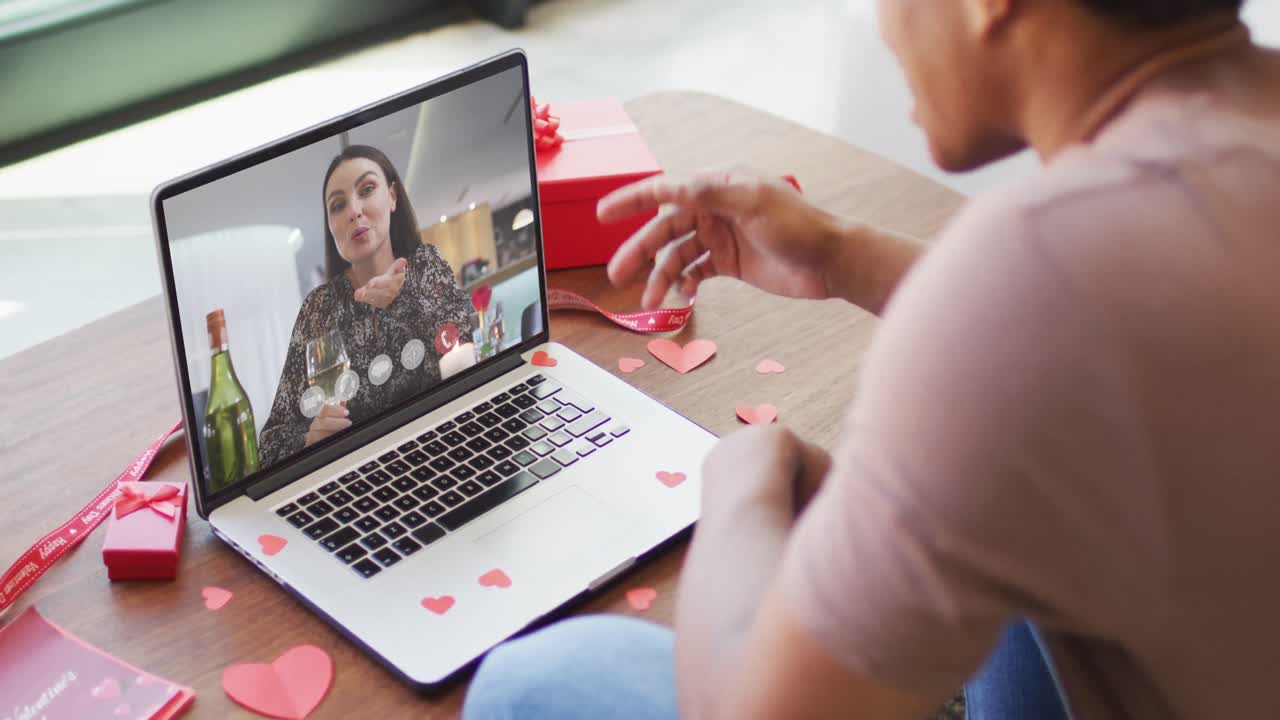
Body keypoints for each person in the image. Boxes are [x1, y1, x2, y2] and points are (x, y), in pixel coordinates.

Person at [462, 0, 1280, 718]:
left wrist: (745, 470)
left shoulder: (1036, 279)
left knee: (533, 681)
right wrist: (840, 254)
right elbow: (1106, 328)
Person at [259, 145, 475, 468]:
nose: (354, 211)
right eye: (338, 205)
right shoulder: (319, 309)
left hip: (445, 451)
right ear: (331, 226)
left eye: (367, 189)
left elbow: (468, 358)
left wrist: (401, 302)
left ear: (392, 197)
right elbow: (270, 444)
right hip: (358, 476)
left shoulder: (426, 267)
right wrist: (308, 440)